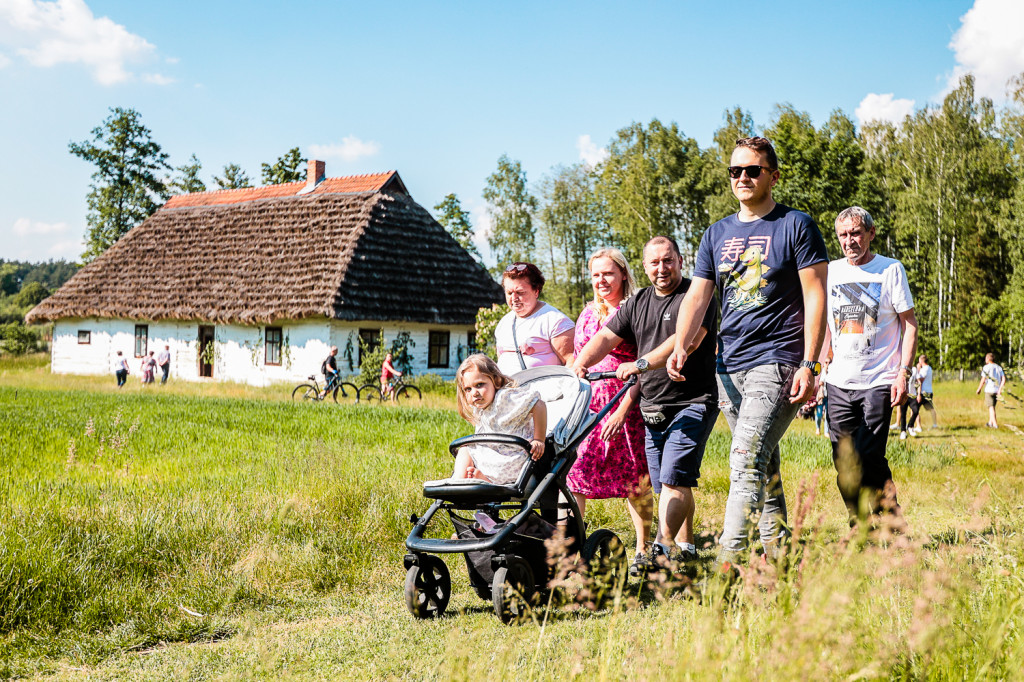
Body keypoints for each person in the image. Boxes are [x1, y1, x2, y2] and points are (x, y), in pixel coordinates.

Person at [666, 136, 828, 569]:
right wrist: (681, 344)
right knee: (763, 463)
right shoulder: (716, 233)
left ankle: (728, 565)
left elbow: (816, 297)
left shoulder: (796, 225)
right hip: (727, 366)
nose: (742, 178)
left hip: (777, 360)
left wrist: (811, 363)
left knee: (743, 462)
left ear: (772, 176)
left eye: (752, 170)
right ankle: (780, 556)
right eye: (735, 171)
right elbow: (698, 297)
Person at [573, 236, 718, 575]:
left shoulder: (697, 295)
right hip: (654, 405)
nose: (661, 268)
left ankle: (660, 551)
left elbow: (687, 340)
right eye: (654, 263)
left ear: (680, 261)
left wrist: (640, 365)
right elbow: (606, 337)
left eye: (668, 260)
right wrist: (580, 363)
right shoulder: (638, 301)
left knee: (674, 477)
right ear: (644, 267)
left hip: (692, 400)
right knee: (661, 483)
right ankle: (682, 547)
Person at [822, 207, 917, 522]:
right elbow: (823, 324)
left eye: (856, 233)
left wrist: (903, 374)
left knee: (869, 454)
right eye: (843, 235)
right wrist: (819, 366)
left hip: (879, 381)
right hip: (837, 382)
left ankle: (883, 516)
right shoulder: (831, 271)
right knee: (844, 460)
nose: (849, 241)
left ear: (871, 234)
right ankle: (862, 519)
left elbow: (910, 325)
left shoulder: (890, 270)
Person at [568, 248, 653, 566]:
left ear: (623, 274)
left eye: (608, 273)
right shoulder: (588, 314)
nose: (601, 280)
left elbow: (646, 366)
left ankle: (643, 550)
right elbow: (579, 361)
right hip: (590, 408)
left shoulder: (636, 310)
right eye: (595, 275)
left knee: (635, 480)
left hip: (626, 406)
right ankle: (575, 549)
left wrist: (622, 411)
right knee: (576, 475)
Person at [448, 354, 547, 484]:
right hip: (496, 459)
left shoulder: (504, 398)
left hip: (513, 460)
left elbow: (538, 404)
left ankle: (475, 482)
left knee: (466, 450)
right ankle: (458, 483)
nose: (474, 393)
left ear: (496, 381)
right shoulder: (480, 406)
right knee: (465, 449)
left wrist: (539, 439)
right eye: (468, 389)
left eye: (479, 385)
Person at [494, 262, 574, 376]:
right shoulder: (503, 324)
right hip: (508, 391)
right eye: (509, 292)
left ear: (536, 291)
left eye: (520, 292)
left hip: (546, 391)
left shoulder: (556, 322)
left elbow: (572, 363)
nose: (514, 298)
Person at [906, 354, 938, 434]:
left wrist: (918, 369)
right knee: (931, 408)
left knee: (914, 409)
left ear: (921, 360)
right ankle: (934, 424)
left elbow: (920, 380)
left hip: (923, 392)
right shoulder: (929, 368)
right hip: (929, 391)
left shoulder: (924, 369)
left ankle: (917, 426)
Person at [977, 353, 1006, 428]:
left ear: (988, 359)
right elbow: (1003, 379)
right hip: (996, 390)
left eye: (986, 358)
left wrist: (979, 388)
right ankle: (990, 423)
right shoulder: (999, 367)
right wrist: (1000, 389)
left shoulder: (986, 367)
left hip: (989, 390)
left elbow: (983, 379)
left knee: (991, 407)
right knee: (992, 407)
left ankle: (995, 424)